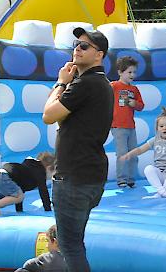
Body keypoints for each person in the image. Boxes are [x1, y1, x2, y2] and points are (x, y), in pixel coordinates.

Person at [42, 27, 113, 272]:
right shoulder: (100, 83)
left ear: (99, 55)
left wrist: (61, 82)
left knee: (70, 245)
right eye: (76, 44)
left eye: (85, 46)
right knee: (75, 243)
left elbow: (48, 115)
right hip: (91, 174)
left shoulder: (85, 84)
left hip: (74, 176)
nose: (77, 49)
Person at [0, 152, 55, 217]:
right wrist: (48, 210)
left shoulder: (30, 167)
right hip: (3, 177)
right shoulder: (40, 171)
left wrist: (19, 211)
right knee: (19, 197)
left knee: (2, 200)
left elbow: (19, 186)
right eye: (53, 173)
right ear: (48, 168)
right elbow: (43, 191)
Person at [110, 56, 145, 188]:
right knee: (122, 153)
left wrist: (134, 103)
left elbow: (141, 106)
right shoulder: (114, 86)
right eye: (129, 72)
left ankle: (131, 178)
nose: (132, 75)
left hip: (131, 126)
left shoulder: (134, 90)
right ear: (120, 72)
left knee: (133, 154)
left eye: (134, 72)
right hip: (118, 126)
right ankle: (122, 179)